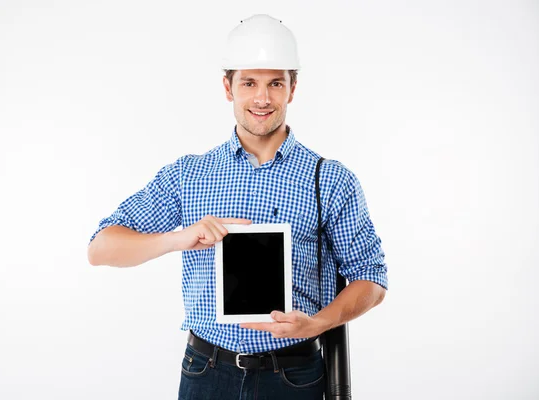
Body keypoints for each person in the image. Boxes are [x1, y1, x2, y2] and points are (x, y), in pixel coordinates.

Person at [87, 14, 388, 400]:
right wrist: (179, 238)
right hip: (206, 372)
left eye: (275, 83)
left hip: (294, 374)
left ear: (292, 89)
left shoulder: (329, 179)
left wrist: (317, 323)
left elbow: (371, 277)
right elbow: (101, 247)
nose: (262, 98)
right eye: (249, 83)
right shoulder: (189, 174)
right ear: (228, 88)